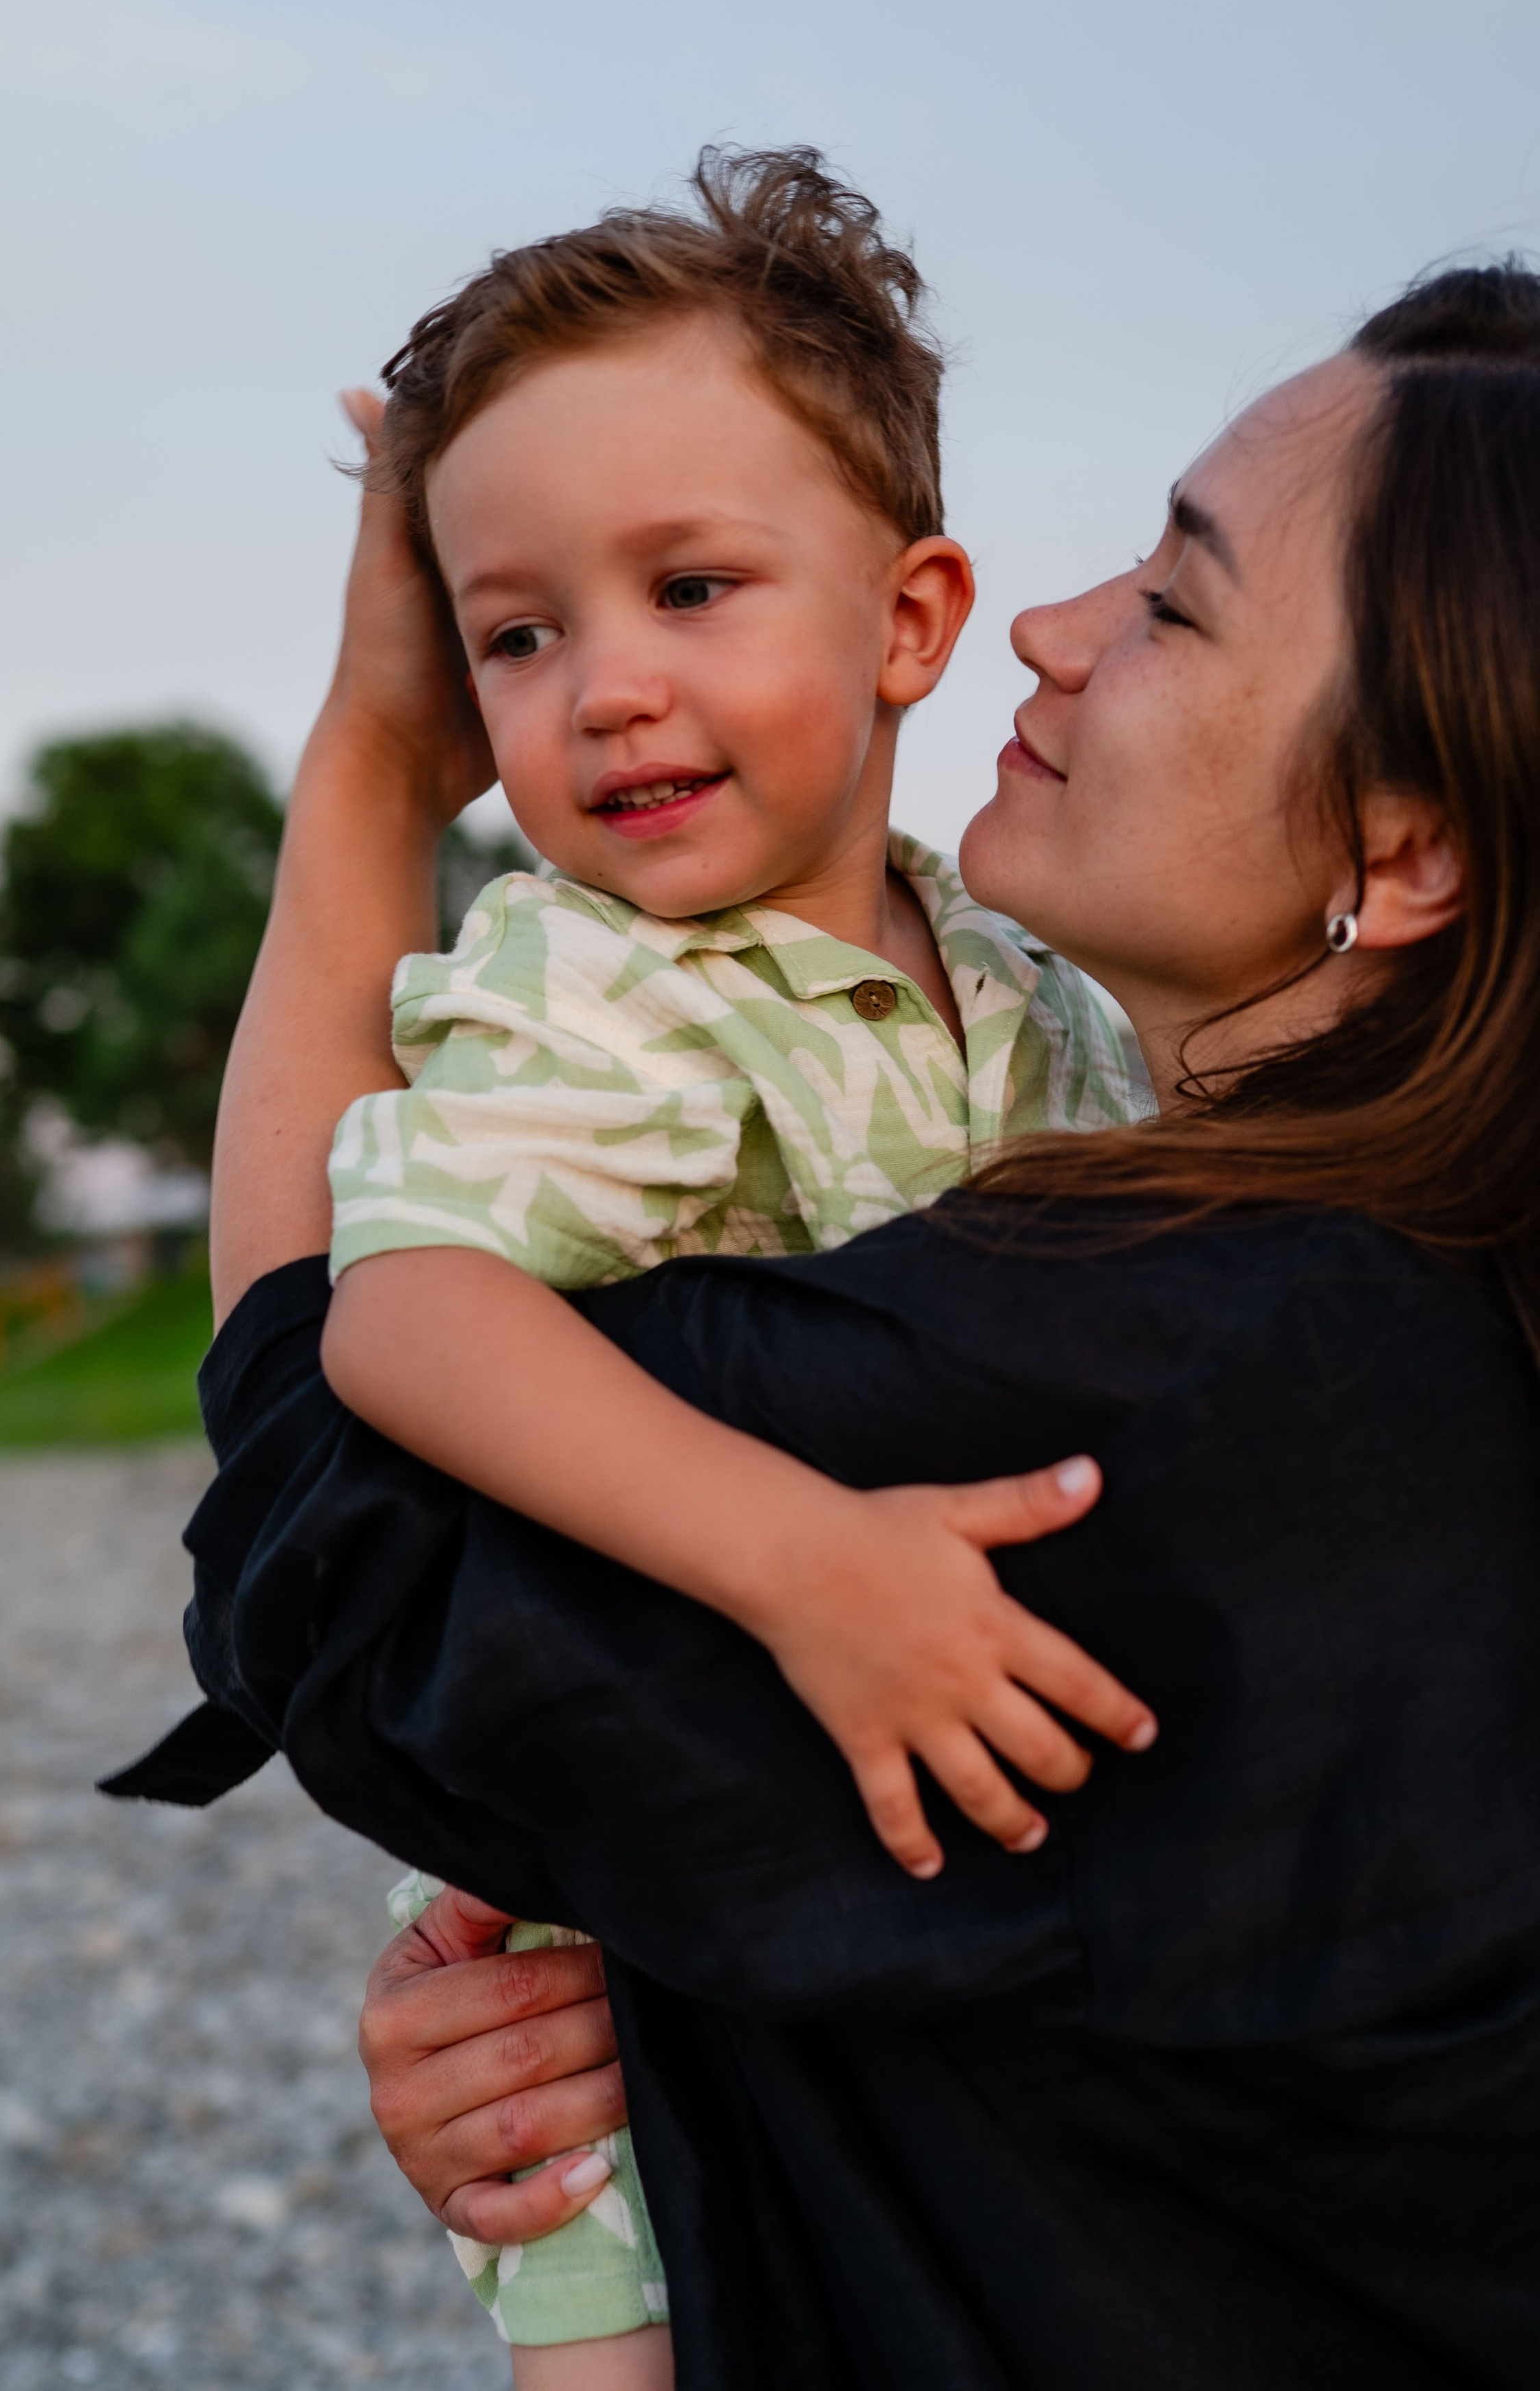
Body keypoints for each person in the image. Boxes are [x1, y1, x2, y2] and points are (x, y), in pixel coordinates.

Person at [112, 261, 1540, 2385]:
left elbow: (330, 1515)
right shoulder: (1383, 1276)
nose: (1063, 623)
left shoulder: (1193, 1350)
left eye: (1178, 600)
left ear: (1403, 844)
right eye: (525, 633)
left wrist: (370, 757)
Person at [317, 149, 1153, 2377]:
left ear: (907, 620)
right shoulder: (586, 987)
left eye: (690, 588)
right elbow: (399, 1306)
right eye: (520, 631)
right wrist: (805, 1563)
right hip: (604, 1936)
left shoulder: (1035, 989)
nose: (602, 688)